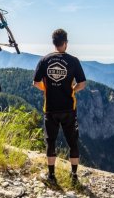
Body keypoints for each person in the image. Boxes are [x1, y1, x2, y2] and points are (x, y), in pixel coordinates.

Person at [33, 28, 86, 184]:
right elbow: (82, 83)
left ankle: (51, 176)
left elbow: (36, 83)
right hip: (69, 108)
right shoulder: (73, 61)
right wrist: (72, 90)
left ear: (54, 43)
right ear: (65, 43)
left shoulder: (44, 60)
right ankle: (74, 176)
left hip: (50, 108)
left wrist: (48, 88)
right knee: (72, 142)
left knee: (51, 142)